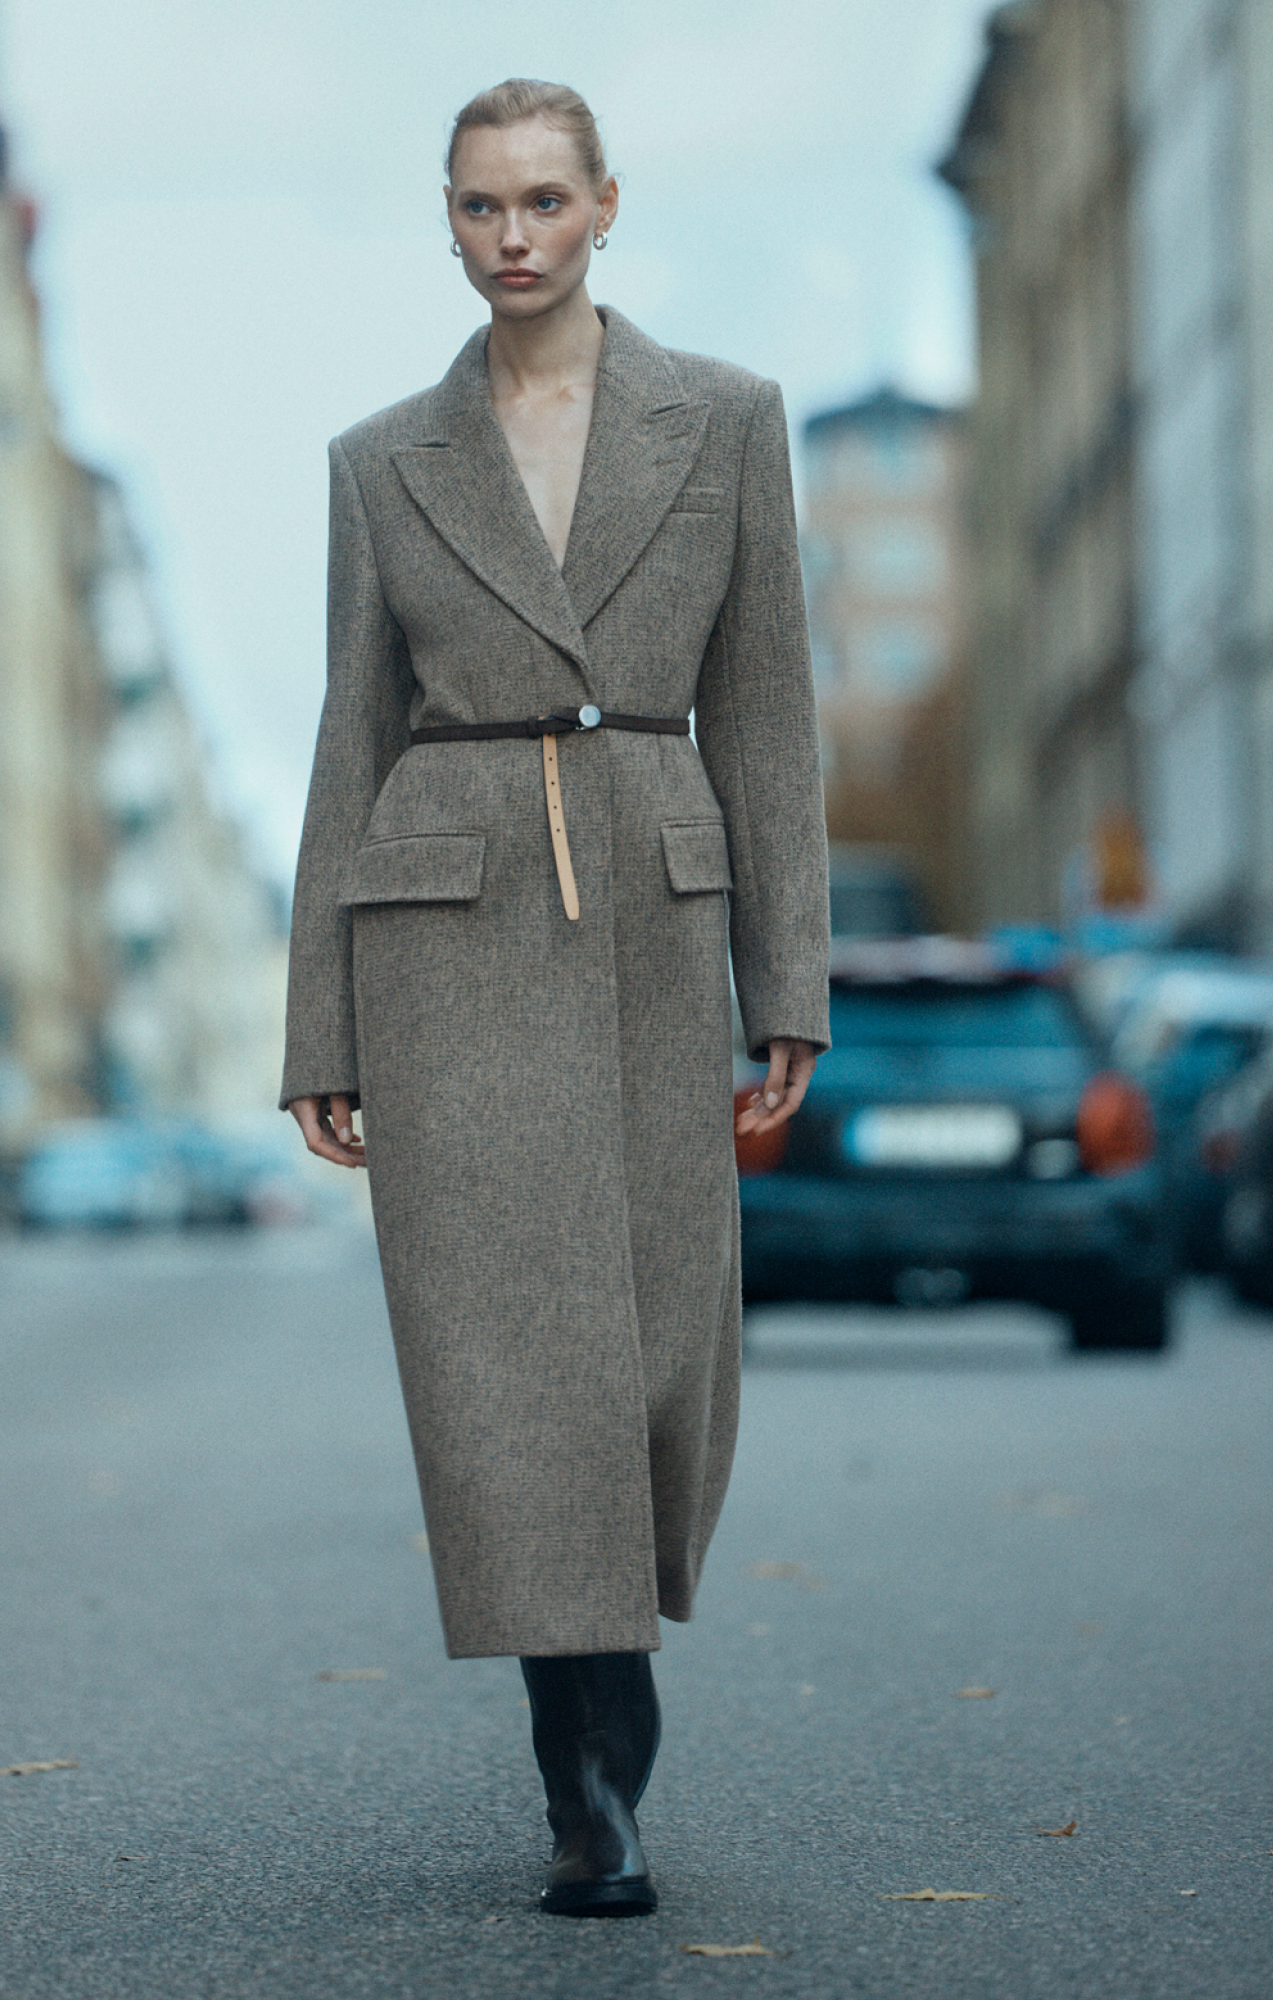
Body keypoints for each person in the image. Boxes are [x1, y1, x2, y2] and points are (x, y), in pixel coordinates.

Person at [282, 78, 829, 1918]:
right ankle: (590, 1781)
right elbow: (348, 739)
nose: (510, 235)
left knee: (659, 1346)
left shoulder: (728, 420)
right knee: (509, 1364)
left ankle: (610, 1699)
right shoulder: (383, 460)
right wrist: (320, 1026)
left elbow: (769, 718)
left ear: (605, 206)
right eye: (477, 205)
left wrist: (791, 983)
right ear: (446, 223)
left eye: (541, 200)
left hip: (660, 912)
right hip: (446, 927)